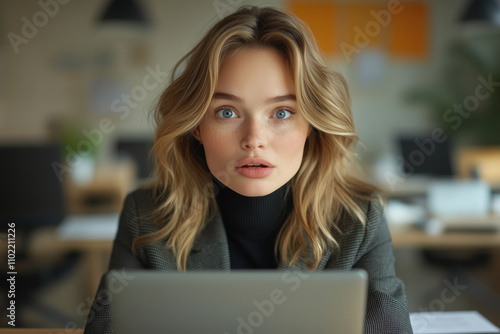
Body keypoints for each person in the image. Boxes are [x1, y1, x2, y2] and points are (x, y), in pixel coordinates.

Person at [83, 5, 413, 334]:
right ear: (196, 125)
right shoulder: (145, 216)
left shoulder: (359, 218)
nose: (254, 140)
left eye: (282, 113)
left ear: (311, 124)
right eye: (227, 112)